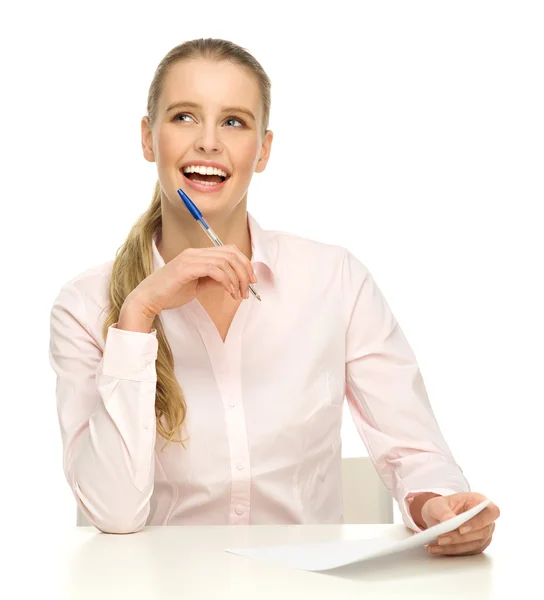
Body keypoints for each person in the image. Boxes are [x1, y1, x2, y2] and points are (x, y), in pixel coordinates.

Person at [49, 38, 500, 555]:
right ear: (148, 139)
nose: (209, 143)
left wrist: (439, 507)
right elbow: (113, 513)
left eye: (234, 122)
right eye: (183, 117)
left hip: (309, 585)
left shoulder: (336, 279)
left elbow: (414, 450)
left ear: (262, 150)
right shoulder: (85, 306)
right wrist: (137, 316)